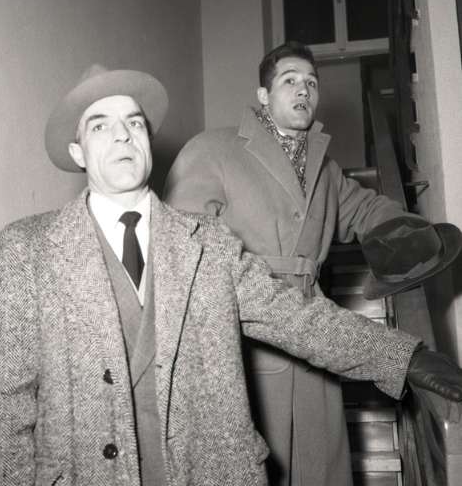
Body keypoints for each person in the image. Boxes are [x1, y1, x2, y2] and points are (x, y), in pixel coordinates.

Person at [0, 65, 462, 486]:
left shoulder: (209, 244)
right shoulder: (26, 250)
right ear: (78, 153)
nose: (122, 135)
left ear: (148, 142)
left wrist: (406, 358)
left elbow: (298, 318)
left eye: (134, 123)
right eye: (100, 126)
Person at [163, 41, 457, 485]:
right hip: (245, 340)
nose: (304, 90)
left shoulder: (326, 169)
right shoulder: (213, 150)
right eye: (290, 80)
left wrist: (406, 232)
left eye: (312, 82)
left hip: (320, 340)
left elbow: (364, 208)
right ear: (263, 95)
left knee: (320, 467)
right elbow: (183, 255)